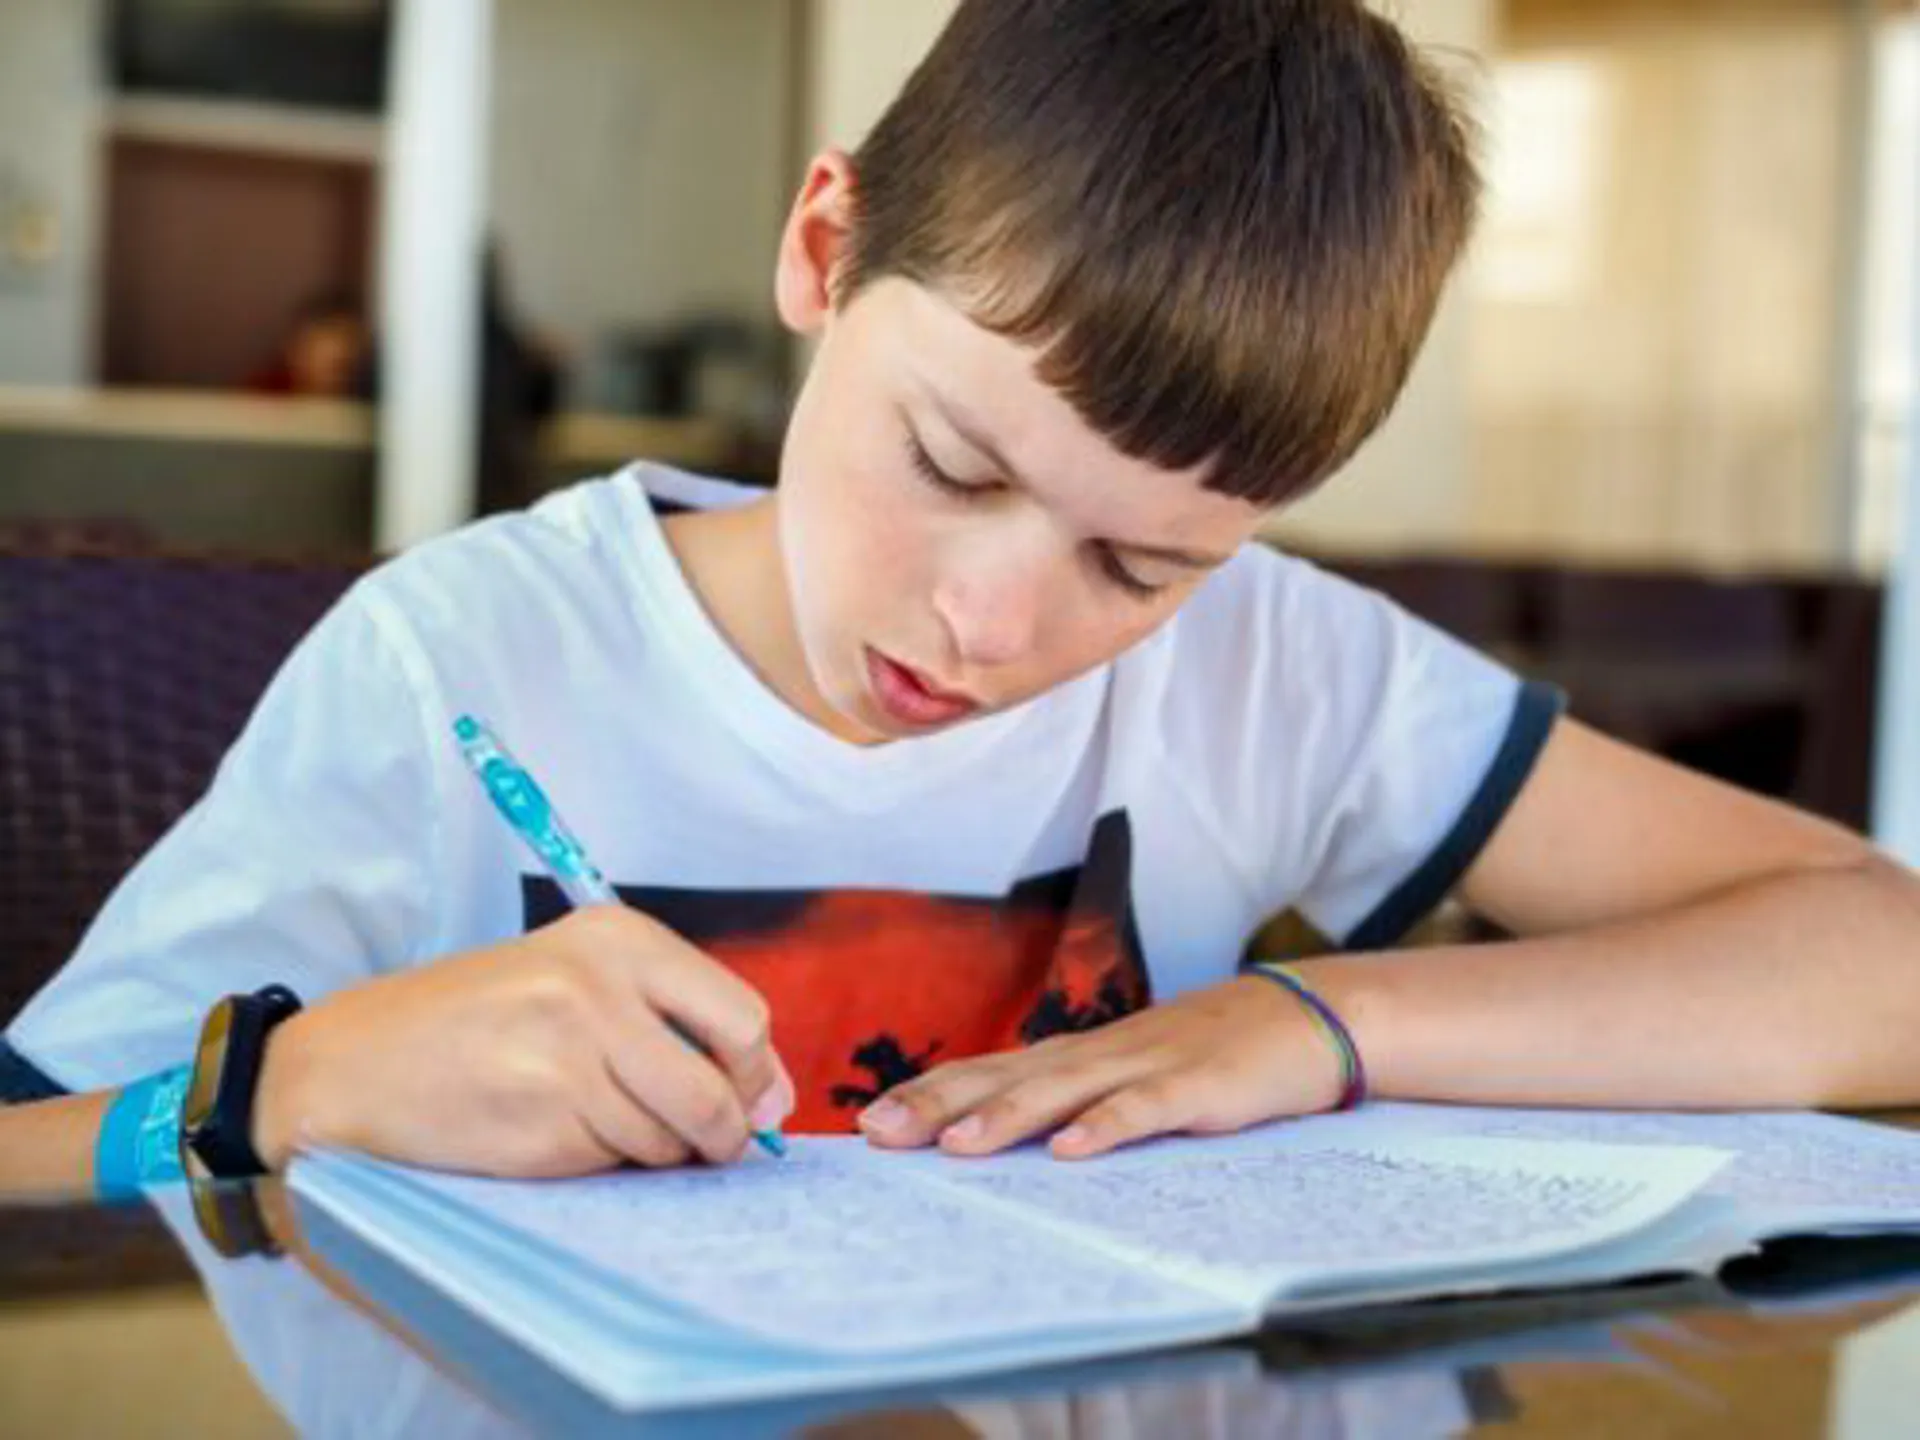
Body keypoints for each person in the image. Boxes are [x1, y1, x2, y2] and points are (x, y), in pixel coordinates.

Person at [4, 0, 1918, 1210]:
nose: (993, 625)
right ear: (824, 248)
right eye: (953, 462)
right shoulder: (459, 664)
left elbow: (1882, 956)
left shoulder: (1273, 662)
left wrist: (1319, 1020)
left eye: (1140, 564)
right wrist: (296, 1079)